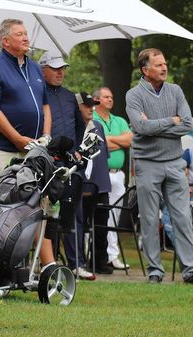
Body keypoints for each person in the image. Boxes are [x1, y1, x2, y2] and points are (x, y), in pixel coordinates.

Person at [126, 48, 193, 285]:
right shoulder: (134, 95)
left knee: (182, 217)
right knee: (150, 219)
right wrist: (168, 121)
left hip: (174, 163)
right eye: (159, 64)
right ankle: (155, 271)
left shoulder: (175, 91)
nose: (164, 68)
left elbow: (185, 125)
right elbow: (140, 128)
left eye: (165, 64)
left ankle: (191, 271)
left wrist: (157, 124)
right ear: (145, 69)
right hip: (147, 163)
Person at [0, 18, 54, 269]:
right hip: (4, 149)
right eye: (19, 34)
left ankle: (45, 267)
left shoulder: (34, 67)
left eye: (26, 34)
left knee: (36, 205)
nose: (25, 38)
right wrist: (18, 139)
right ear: (5, 41)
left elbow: (45, 105)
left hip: (34, 151)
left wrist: (45, 136)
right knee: (5, 206)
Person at [39, 52, 93, 279]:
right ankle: (48, 263)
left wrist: (78, 152)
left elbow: (81, 127)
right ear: (42, 69)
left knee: (72, 216)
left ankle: (74, 264)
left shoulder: (70, 96)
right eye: (55, 68)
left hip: (69, 163)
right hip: (46, 162)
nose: (60, 72)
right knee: (46, 215)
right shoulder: (36, 94)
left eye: (63, 68)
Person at [92, 87, 132, 271]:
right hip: (100, 174)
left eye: (111, 97)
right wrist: (118, 141)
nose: (110, 99)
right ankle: (95, 254)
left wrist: (108, 141)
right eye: (106, 97)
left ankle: (113, 255)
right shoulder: (92, 119)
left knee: (115, 215)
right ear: (96, 99)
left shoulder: (120, 120)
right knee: (99, 215)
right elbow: (97, 142)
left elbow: (130, 140)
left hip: (118, 174)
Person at [76, 92, 113, 275]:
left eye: (93, 105)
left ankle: (99, 261)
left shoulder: (98, 126)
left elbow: (104, 154)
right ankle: (79, 261)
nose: (91, 108)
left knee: (101, 226)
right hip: (80, 184)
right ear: (78, 107)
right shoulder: (73, 126)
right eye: (87, 105)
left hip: (100, 183)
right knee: (80, 224)